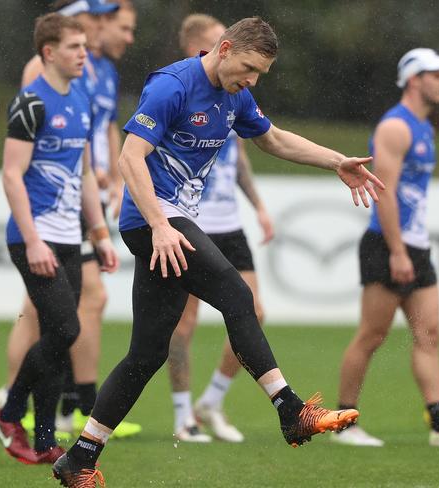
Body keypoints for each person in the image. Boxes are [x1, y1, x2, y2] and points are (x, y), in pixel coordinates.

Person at [52, 17, 382, 485]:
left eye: (260, 75)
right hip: (154, 221)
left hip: (169, 224)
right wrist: (161, 225)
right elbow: (130, 157)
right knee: (237, 295)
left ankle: (80, 457)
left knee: (146, 355)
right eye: (247, 67)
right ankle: (291, 411)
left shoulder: (236, 95)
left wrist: (336, 161)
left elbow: (273, 139)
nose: (251, 80)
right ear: (224, 49)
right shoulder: (173, 86)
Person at [0, 0, 142, 440]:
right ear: (49, 51)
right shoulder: (32, 98)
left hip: (71, 233)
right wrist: (33, 239)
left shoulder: (82, 95)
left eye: (84, 44)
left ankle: (43, 438)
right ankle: (11, 408)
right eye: (74, 45)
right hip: (34, 235)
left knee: (59, 334)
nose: (84, 51)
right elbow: (11, 174)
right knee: (64, 327)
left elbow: (80, 173)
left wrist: (99, 235)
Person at [333, 48, 439, 448]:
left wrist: (411, 249)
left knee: (429, 334)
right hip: (389, 246)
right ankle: (344, 425)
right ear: (413, 79)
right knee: (372, 335)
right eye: (437, 74)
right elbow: (383, 194)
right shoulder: (396, 127)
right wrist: (398, 251)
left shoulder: (426, 128)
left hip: (415, 246)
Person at [167, 13, 274, 444]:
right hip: (193, 222)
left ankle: (211, 400)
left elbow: (243, 158)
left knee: (254, 312)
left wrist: (259, 205)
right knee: (183, 322)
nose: (224, 48)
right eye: (216, 42)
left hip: (231, 225)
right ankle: (182, 415)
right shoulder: (181, 91)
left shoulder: (234, 96)